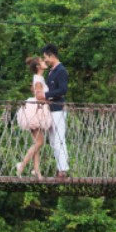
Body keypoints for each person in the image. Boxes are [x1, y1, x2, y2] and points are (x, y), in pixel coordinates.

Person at [16, 56, 52, 180]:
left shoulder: (39, 78)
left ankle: (37, 171)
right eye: (42, 61)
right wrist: (50, 99)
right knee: (39, 142)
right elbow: (38, 97)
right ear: (38, 66)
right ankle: (22, 164)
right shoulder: (37, 79)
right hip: (36, 111)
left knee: (37, 142)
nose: (45, 62)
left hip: (38, 111)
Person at [42, 44, 69, 179]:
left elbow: (63, 90)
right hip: (50, 110)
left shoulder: (61, 71)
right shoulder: (51, 71)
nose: (45, 60)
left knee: (59, 140)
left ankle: (63, 171)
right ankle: (60, 168)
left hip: (58, 109)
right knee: (53, 141)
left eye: (45, 57)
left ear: (52, 55)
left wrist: (46, 95)